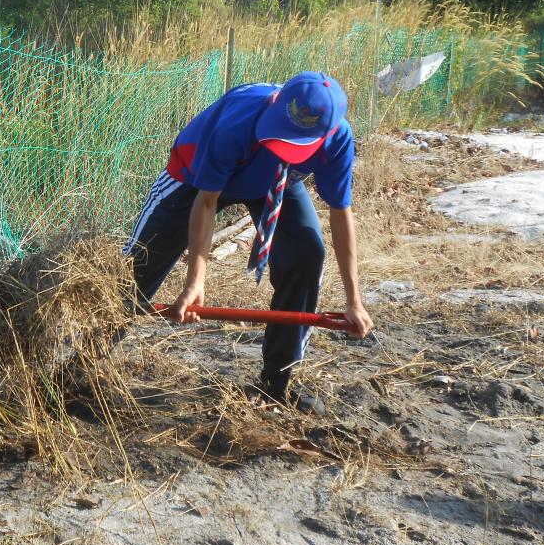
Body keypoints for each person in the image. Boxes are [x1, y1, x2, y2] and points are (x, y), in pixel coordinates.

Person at [123, 71, 374, 410]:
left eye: (295, 142)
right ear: (277, 104)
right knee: (136, 271)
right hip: (193, 179)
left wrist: (354, 301)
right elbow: (206, 201)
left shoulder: (338, 140)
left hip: (273, 181)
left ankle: (276, 383)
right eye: (282, 135)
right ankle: (79, 366)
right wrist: (195, 281)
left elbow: (341, 214)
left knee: (307, 253)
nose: (283, 144)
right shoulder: (238, 122)